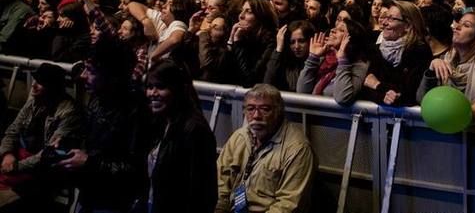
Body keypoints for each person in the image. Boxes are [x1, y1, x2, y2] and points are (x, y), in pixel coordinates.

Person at [57, 39, 150, 213]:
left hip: (117, 204)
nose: (83, 75)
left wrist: (89, 162)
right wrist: (67, 144)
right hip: (91, 195)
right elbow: (92, 142)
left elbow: (135, 171)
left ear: (111, 75)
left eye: (90, 70)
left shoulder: (137, 110)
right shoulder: (98, 99)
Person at [215, 84, 314, 213]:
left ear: (278, 112)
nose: (256, 115)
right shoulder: (239, 137)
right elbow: (220, 185)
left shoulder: (297, 149)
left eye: (265, 109)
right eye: (250, 109)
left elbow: (288, 205)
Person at [0, 63, 81, 210]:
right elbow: (12, 131)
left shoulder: (68, 112)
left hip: (47, 168)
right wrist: (7, 154)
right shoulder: (34, 102)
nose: (34, 85)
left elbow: (50, 154)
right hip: (23, 157)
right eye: (35, 80)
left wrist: (16, 166)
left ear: (53, 87)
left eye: (41, 83)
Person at [144, 60, 217, 213]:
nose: (153, 94)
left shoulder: (195, 130)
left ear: (177, 90)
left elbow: (201, 195)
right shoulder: (160, 122)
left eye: (161, 87)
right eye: (150, 87)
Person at [417, 11, 475, 120]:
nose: (457, 27)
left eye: (466, 25)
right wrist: (431, 70)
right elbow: (421, 99)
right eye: (459, 23)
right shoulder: (444, 62)